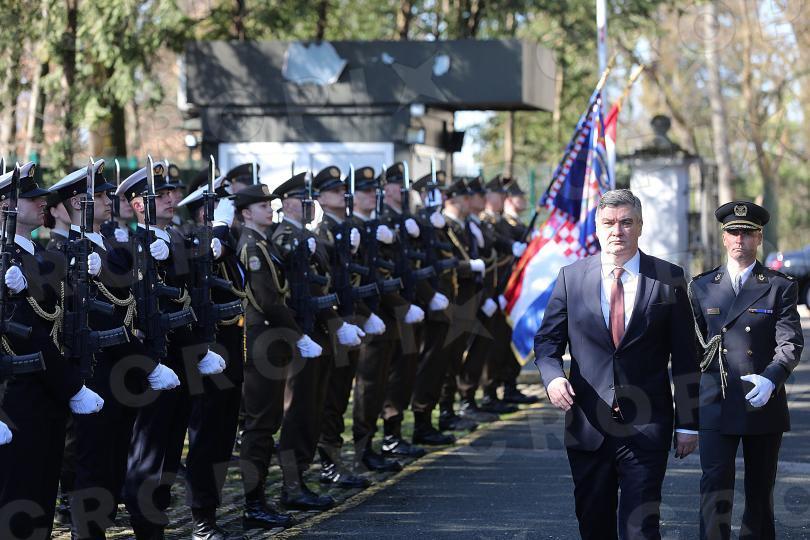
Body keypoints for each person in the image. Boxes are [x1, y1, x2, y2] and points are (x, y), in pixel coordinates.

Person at [533, 188, 700, 539]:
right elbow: (547, 343)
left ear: (640, 226)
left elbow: (686, 357)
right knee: (594, 525)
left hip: (647, 426)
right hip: (588, 426)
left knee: (641, 528)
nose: (617, 231)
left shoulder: (669, 278)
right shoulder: (571, 277)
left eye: (626, 222)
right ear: (597, 228)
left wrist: (688, 424)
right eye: (608, 223)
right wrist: (553, 378)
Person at [689, 201, 803, 540]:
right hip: (716, 399)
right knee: (714, 487)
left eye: (748, 233)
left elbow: (790, 342)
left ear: (759, 238)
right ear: (724, 237)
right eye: (734, 232)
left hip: (762, 397)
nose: (740, 239)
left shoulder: (780, 285)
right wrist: (686, 412)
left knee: (760, 490)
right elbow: (691, 351)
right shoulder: (701, 286)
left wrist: (772, 378)